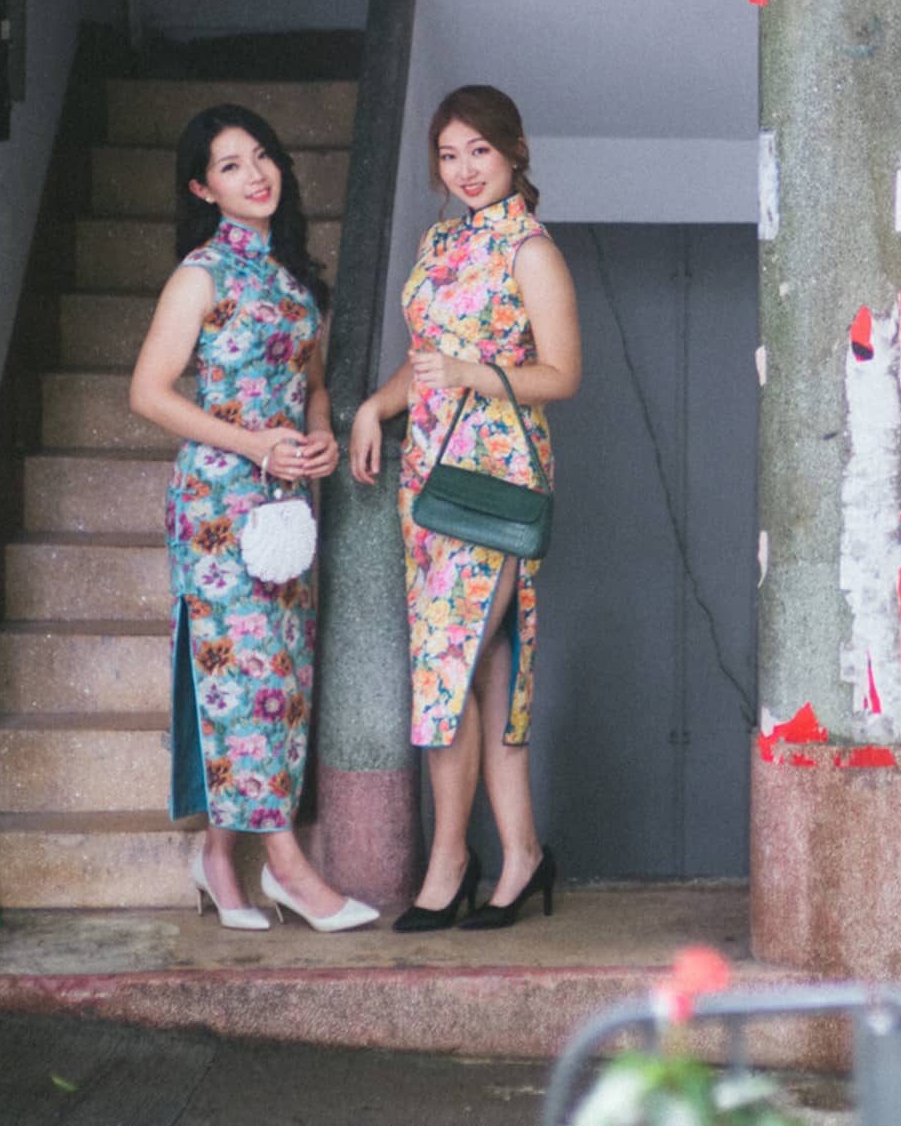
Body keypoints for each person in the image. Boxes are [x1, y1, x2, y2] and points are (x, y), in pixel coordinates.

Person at [129, 104, 378, 933]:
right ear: (204, 187)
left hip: (284, 499)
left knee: (280, 685)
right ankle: (287, 868)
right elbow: (150, 393)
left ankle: (215, 858)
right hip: (216, 506)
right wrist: (253, 444)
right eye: (231, 165)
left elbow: (311, 389)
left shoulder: (297, 276)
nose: (256, 173)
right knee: (248, 684)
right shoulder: (199, 273)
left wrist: (318, 442)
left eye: (262, 154)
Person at [350, 85, 580, 931]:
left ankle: (449, 860)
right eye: (449, 155)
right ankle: (522, 853)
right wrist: (377, 407)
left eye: (479, 150)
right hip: (428, 475)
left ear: (515, 149)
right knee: (488, 670)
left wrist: (480, 375)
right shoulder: (439, 240)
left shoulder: (531, 250)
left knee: (444, 669)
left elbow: (563, 373)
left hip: (499, 475)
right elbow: (425, 362)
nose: (464, 169)